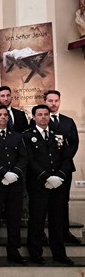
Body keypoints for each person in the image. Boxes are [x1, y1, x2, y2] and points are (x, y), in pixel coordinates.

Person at [24, 105, 74, 266]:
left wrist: (59, 176)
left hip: (58, 184)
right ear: (34, 117)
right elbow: (29, 160)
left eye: (46, 114)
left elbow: (67, 158)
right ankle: (36, 253)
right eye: (40, 114)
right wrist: (46, 177)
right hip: (39, 184)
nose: (44, 117)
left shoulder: (59, 135)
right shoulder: (27, 136)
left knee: (57, 220)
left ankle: (59, 254)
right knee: (37, 220)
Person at [0, 104, 27, 265]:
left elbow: (23, 158)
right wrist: (3, 173)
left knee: (14, 219)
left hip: (15, 183)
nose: (3, 117)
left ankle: (13, 251)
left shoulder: (17, 136)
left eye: (5, 115)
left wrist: (14, 173)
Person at [42, 90, 80, 245]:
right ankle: (43, 235)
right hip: (45, 171)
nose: (53, 103)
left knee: (63, 202)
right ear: (45, 101)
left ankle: (64, 233)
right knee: (44, 203)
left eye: (56, 100)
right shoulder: (40, 120)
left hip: (64, 169)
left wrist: (63, 164)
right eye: (50, 100)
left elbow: (74, 143)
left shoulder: (68, 121)